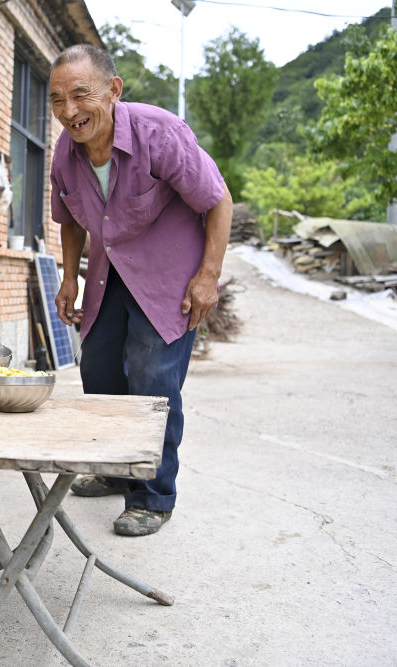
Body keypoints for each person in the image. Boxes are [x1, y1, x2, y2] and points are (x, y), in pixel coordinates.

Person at [48, 45, 232, 536]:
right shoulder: (66, 152)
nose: (69, 110)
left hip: (170, 275)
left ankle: (152, 496)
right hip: (109, 272)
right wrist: (69, 277)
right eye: (57, 99)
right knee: (99, 371)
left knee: (153, 380)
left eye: (80, 95)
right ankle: (114, 471)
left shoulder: (159, 133)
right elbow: (69, 219)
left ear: (114, 90)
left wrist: (208, 276)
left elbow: (218, 201)